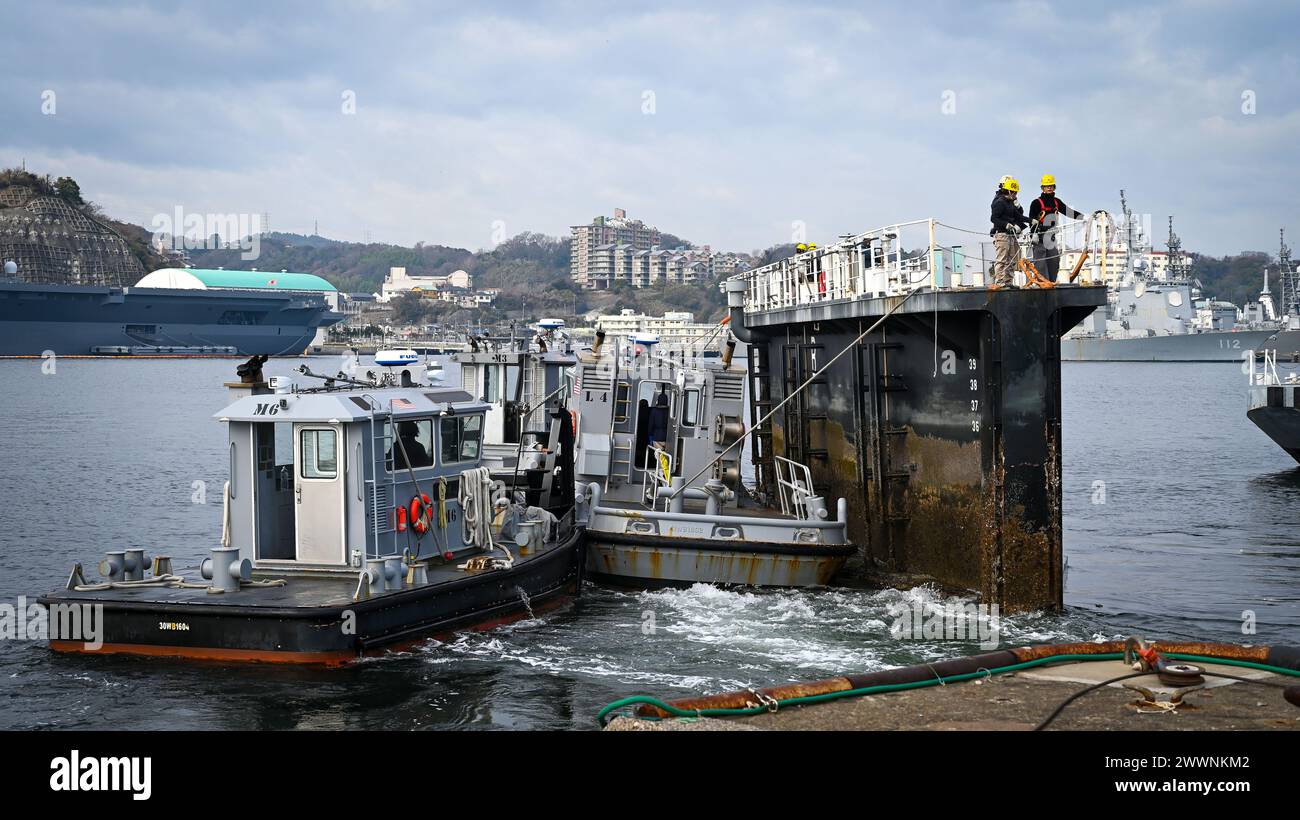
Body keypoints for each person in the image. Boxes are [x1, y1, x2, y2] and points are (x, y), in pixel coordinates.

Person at [1028, 174, 1086, 282]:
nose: (1049, 187)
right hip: (1039, 240)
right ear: (1043, 188)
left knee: (1054, 264)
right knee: (1040, 266)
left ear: (1054, 187)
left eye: (1051, 185)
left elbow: (1068, 212)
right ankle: (1042, 287)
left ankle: (1051, 285)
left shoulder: (1056, 202)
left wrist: (1083, 217)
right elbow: (1031, 220)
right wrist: (1033, 234)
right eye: (1047, 186)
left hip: (1051, 240)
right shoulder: (1036, 203)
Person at [989, 175, 1029, 289]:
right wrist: (1006, 224)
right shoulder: (999, 201)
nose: (1016, 194)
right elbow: (995, 218)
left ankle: (1008, 282)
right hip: (1002, 232)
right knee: (1002, 258)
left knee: (1012, 258)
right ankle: (1001, 282)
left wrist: (1030, 221)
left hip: (1012, 232)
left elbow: (1018, 214)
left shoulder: (1010, 201)